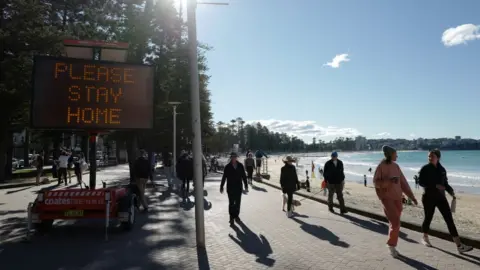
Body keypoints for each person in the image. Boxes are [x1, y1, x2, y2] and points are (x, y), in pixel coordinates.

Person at [418, 149, 472, 253]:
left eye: (432, 156)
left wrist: (451, 191)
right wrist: (434, 185)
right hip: (428, 198)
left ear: (438, 157)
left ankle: (459, 246)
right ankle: (425, 237)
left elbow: (445, 184)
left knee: (449, 220)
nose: (430, 158)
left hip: (441, 198)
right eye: (429, 156)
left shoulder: (442, 170)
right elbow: (421, 182)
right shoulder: (425, 168)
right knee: (428, 218)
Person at [373, 145, 417, 258]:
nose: (397, 155)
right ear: (390, 154)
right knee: (396, 222)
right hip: (387, 198)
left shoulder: (396, 166)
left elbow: (403, 183)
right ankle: (391, 246)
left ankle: (391, 244)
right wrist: (389, 181)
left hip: (398, 199)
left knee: (395, 223)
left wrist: (412, 196)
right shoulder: (381, 166)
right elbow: (376, 183)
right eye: (395, 154)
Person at [220, 152, 248, 226]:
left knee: (238, 203)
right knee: (231, 203)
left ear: (236, 157)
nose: (233, 158)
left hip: (238, 187)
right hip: (230, 188)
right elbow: (224, 177)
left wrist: (246, 185)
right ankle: (231, 218)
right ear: (230, 158)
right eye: (232, 157)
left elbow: (244, 176)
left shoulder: (240, 166)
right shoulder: (227, 167)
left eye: (235, 157)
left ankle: (236, 215)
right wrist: (221, 186)